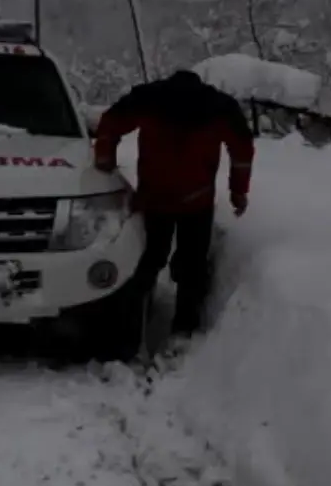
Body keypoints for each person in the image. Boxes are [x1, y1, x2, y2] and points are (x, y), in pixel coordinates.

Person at [92, 69, 255, 336]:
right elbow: (242, 150)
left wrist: (104, 159)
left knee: (147, 261)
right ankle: (184, 328)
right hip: (197, 202)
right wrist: (238, 192)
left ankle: (133, 325)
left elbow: (111, 123)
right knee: (192, 267)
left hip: (154, 199)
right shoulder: (219, 107)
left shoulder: (149, 98)